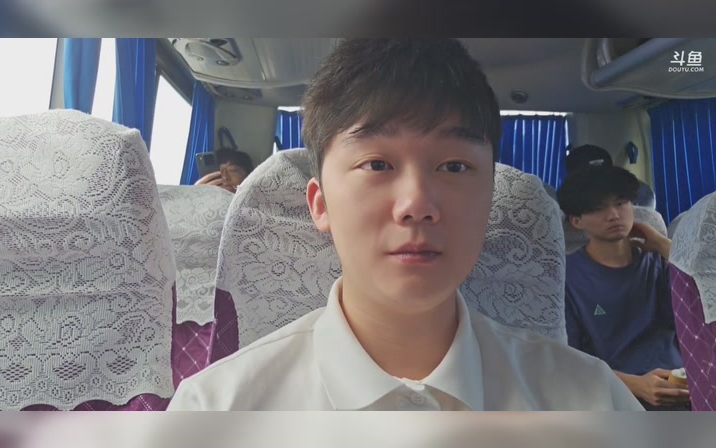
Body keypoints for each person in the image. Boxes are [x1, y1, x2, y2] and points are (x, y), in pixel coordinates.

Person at [167, 39, 642, 411]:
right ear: (320, 204)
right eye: (377, 164)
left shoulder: (592, 398)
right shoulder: (215, 409)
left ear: (489, 200)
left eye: (454, 166)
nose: (417, 205)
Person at [557, 165, 690, 411]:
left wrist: (662, 243)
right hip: (616, 394)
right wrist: (636, 385)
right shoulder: (566, 277)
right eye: (597, 209)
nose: (613, 215)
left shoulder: (659, 261)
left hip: (682, 384)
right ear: (577, 221)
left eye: (621, 203)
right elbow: (570, 361)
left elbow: (704, 305)